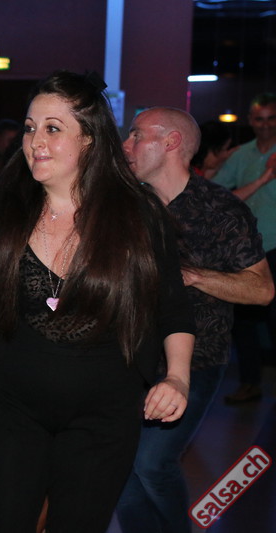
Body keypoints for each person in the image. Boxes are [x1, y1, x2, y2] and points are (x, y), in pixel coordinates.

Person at [0, 71, 195, 533]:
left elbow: (172, 307)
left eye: (52, 128)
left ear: (89, 139)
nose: (35, 141)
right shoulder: (6, 207)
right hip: (14, 406)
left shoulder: (137, 215)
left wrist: (178, 378)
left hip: (105, 414)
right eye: (29, 128)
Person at [116, 107, 273, 533]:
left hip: (197, 358)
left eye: (137, 135)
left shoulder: (220, 209)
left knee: (152, 463)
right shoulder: (126, 205)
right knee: (123, 467)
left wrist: (193, 276)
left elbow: (261, 290)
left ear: (171, 143)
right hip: (127, 357)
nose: (126, 145)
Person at [212, 92, 276, 404]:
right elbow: (215, 189)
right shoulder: (242, 154)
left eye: (271, 118)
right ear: (250, 121)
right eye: (259, 119)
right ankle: (250, 383)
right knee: (244, 321)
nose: (265, 125)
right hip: (247, 249)